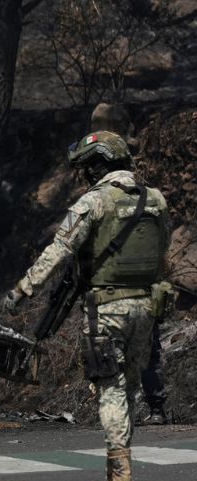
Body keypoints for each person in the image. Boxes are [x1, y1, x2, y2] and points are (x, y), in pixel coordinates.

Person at [3, 131, 169, 481]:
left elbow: (59, 251)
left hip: (106, 310)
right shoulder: (155, 200)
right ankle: (121, 471)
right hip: (146, 308)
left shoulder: (94, 202)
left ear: (97, 166)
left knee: (110, 390)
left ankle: (121, 480)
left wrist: (20, 290)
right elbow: (163, 248)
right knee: (128, 389)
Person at [90, 102, 168, 425]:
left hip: (123, 288)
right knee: (145, 349)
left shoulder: (114, 192)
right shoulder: (146, 194)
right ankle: (153, 407)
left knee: (127, 350)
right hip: (143, 286)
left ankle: (138, 408)